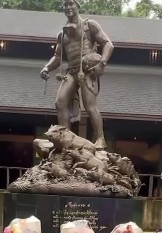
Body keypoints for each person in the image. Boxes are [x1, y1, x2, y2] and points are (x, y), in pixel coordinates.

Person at [40, 0, 114, 150]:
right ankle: (65, 139)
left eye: (71, 4)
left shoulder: (89, 25)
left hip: (86, 70)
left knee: (90, 106)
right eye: (65, 5)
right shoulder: (62, 34)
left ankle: (100, 138)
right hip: (72, 72)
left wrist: (102, 63)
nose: (68, 7)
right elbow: (57, 56)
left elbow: (108, 44)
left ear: (78, 6)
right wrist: (46, 68)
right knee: (60, 102)